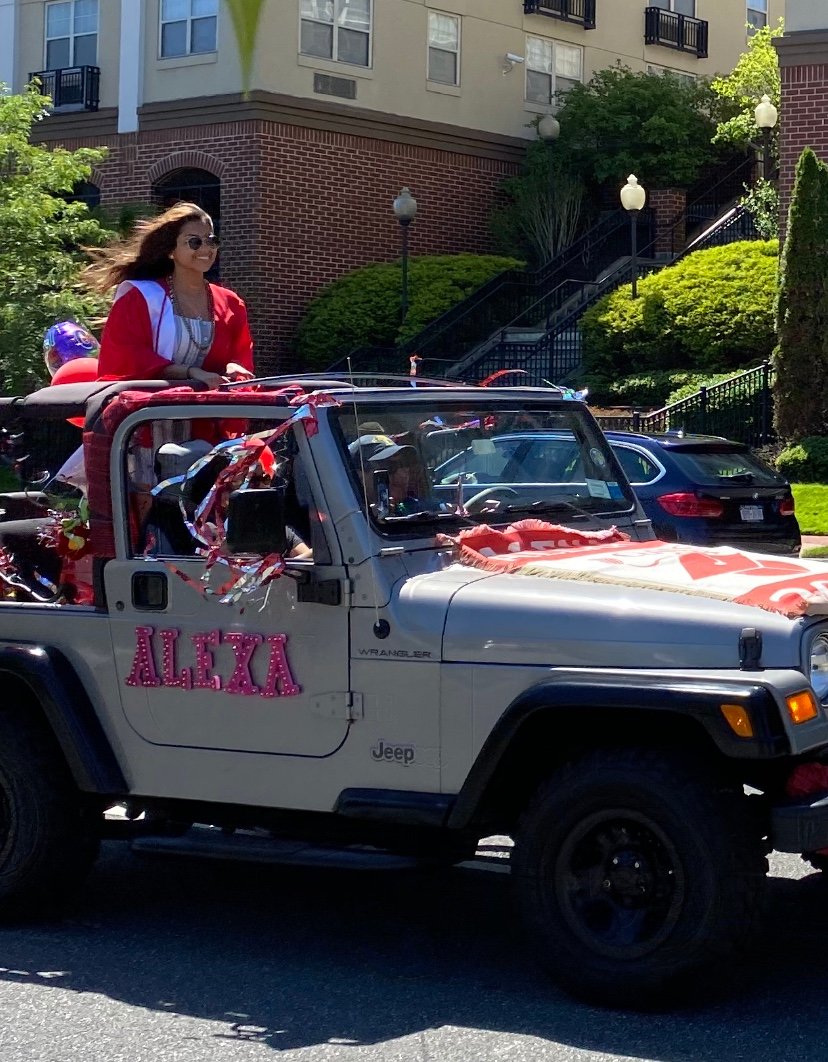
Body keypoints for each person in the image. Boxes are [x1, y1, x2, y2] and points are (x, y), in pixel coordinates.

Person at [84, 202, 255, 388]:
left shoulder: (231, 304)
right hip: (154, 411)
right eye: (194, 242)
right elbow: (127, 359)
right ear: (171, 250)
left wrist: (235, 366)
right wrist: (190, 372)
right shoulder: (139, 298)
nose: (206, 249)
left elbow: (241, 355)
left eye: (211, 241)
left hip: (210, 411)